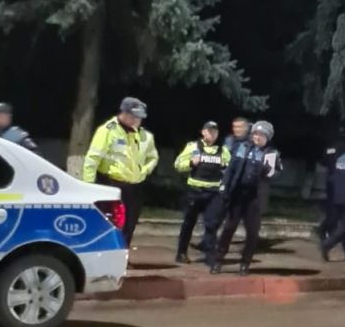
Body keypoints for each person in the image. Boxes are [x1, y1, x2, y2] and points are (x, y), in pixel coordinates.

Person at [82, 97, 159, 247]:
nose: (137, 120)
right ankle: (105, 252)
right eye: (134, 116)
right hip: (111, 185)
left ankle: (123, 252)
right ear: (124, 113)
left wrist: (144, 171)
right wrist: (89, 186)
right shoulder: (108, 131)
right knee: (109, 225)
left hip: (135, 187)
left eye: (140, 117)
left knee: (130, 225)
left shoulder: (145, 136)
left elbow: (153, 157)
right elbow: (92, 160)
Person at [211, 121, 280, 275]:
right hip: (238, 195)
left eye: (261, 135)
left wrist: (269, 171)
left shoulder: (271, 153)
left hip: (255, 199)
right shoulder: (243, 147)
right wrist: (224, 186)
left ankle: (245, 263)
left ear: (267, 138)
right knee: (229, 228)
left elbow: (276, 174)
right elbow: (231, 169)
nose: (257, 137)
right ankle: (218, 260)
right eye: (255, 134)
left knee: (252, 233)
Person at [173, 121, 230, 264]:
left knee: (212, 224)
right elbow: (178, 165)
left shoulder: (223, 150)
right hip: (195, 191)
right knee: (188, 223)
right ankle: (181, 253)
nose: (212, 134)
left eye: (215, 132)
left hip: (213, 192)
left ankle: (210, 256)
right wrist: (191, 163)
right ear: (203, 132)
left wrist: (225, 167)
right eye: (209, 131)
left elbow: (230, 169)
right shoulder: (193, 147)